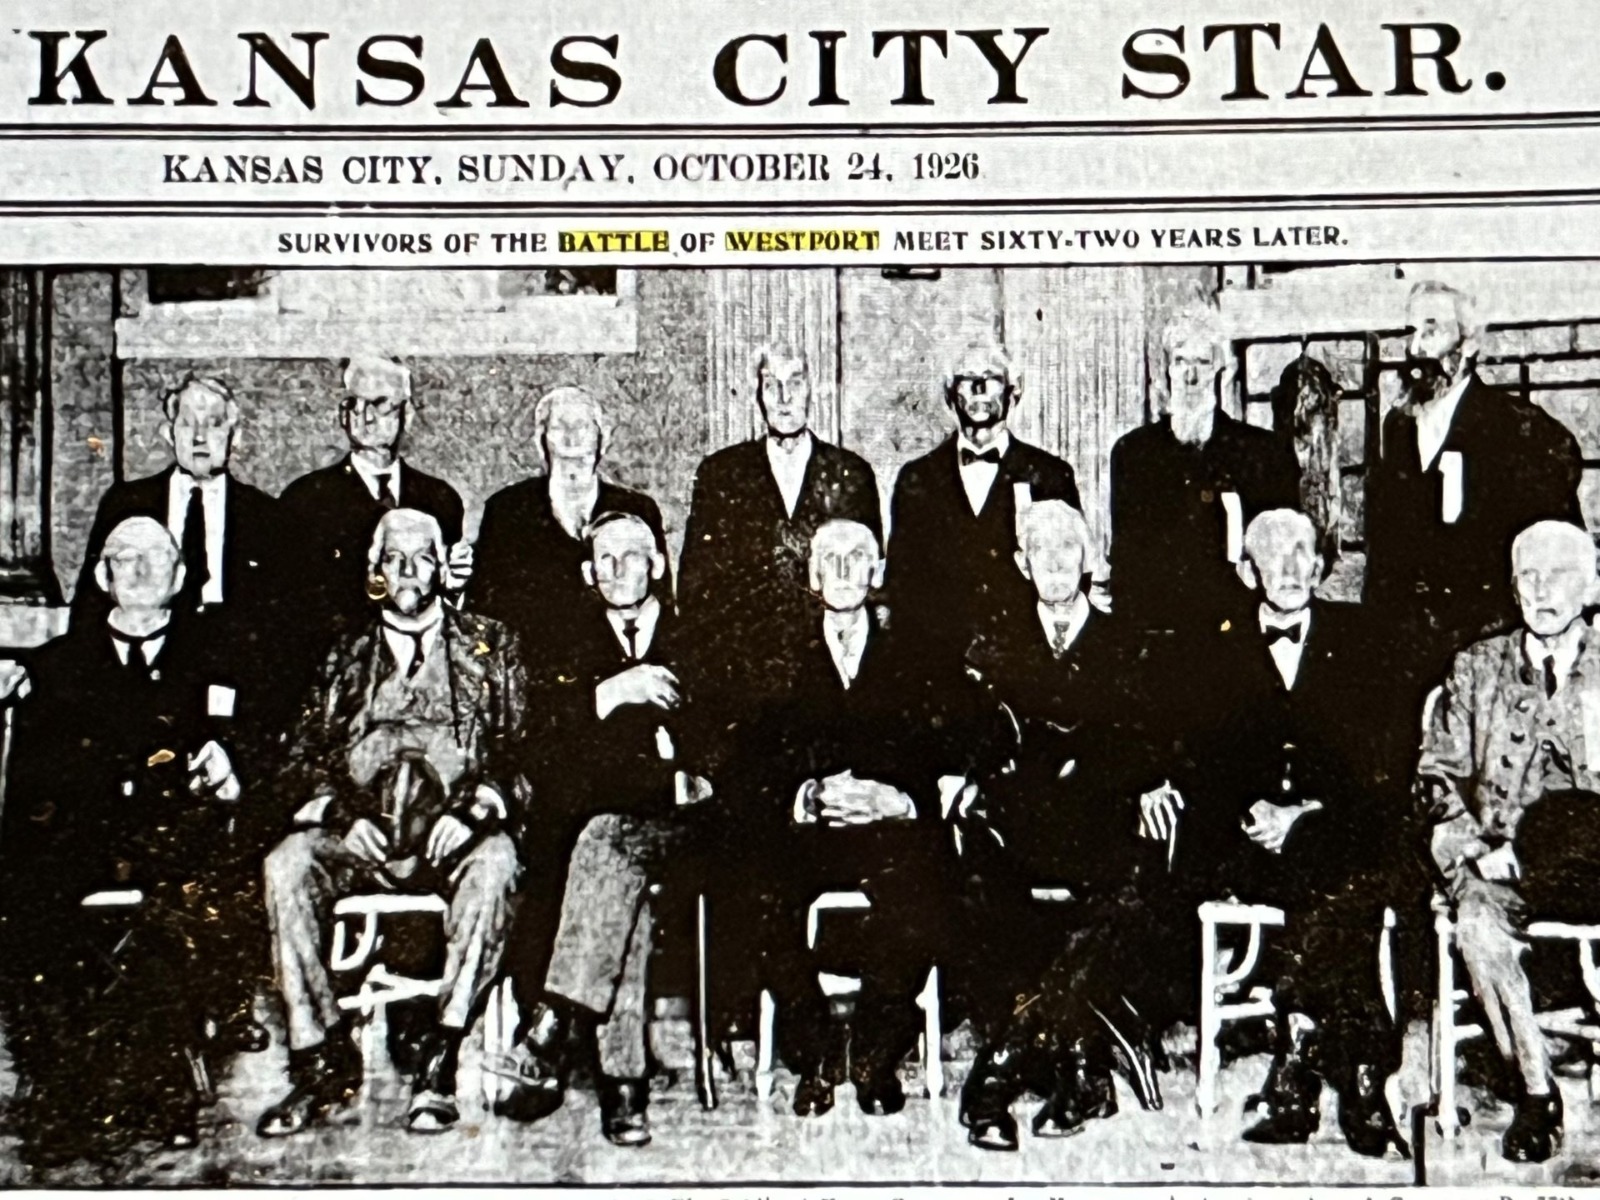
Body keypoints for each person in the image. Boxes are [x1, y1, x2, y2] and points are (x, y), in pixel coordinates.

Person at [1146, 509, 1407, 1157]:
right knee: (1343, 882)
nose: (1289, 567)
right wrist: (1250, 810)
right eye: (1273, 553)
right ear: (1247, 571)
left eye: (1302, 553)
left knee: (1333, 854)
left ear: (1320, 566)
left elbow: (1386, 760)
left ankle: (1298, 1062)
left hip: (1331, 831)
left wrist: (1308, 813)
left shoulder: (1364, 640)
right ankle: (1363, 1074)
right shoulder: (1211, 647)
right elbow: (1194, 758)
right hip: (1246, 847)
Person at [257, 508, 525, 1139]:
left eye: (422, 557)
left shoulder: (489, 645)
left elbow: (523, 753)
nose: (408, 571)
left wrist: (475, 809)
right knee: (286, 865)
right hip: (363, 835)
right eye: (393, 559)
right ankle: (320, 1057)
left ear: (444, 566)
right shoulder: (344, 653)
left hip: (452, 836)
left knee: (498, 865)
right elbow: (298, 759)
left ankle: (439, 1058)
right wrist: (342, 815)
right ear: (374, 569)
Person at [0, 517, 247, 1166]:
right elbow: (32, 790)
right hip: (81, 843)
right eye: (122, 559)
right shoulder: (55, 668)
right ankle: (63, 1093)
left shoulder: (215, 663)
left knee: (184, 904)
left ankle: (161, 1087)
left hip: (173, 841)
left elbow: (246, 759)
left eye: (154, 559)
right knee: (30, 906)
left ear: (180, 576)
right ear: (102, 576)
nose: (138, 571)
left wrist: (229, 767)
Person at [724, 518, 971, 1119]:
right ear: (811, 576)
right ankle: (815, 1052)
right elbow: (744, 763)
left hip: (891, 832)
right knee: (752, 883)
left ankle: (875, 1052)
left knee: (927, 881)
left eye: (856, 555)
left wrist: (901, 800)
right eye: (828, 558)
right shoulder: (776, 657)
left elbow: (957, 743)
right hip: (808, 835)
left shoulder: (916, 657)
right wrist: (805, 796)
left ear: (876, 572)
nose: (841, 568)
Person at [953, 500, 1166, 1151]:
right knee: (982, 880)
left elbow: (1145, 742)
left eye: (1066, 548)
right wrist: (969, 778)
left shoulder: (1127, 643)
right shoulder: (995, 644)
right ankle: (1080, 1068)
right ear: (1022, 564)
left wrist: (1149, 781)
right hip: (1023, 829)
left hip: (1101, 826)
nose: (1054, 562)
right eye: (1039, 550)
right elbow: (982, 738)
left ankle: (1002, 1065)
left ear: (1088, 558)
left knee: (1124, 892)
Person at [495, 511, 710, 1147]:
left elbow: (729, 734)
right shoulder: (564, 646)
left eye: (631, 555)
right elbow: (541, 747)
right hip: (607, 839)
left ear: (658, 564)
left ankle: (553, 1026)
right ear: (588, 574)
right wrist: (613, 692)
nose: (617, 570)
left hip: (688, 830)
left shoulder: (700, 636)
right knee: (619, 881)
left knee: (606, 849)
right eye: (604, 560)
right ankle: (624, 1085)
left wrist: (694, 773)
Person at [1419, 519, 1600, 1163]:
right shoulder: (1477, 668)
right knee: (1476, 926)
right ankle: (1535, 1090)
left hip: (1592, 861)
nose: (1542, 590)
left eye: (1559, 576)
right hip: (1497, 865)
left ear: (1591, 587)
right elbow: (1434, 777)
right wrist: (1472, 845)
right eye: (1529, 576)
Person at [1366, 281, 1584, 692]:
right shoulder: (1398, 428)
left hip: (1488, 662)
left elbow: (1554, 553)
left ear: (1469, 344)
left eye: (1431, 330)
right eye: (1410, 332)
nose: (1415, 348)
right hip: (1407, 659)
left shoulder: (1521, 430)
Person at [679, 346, 880, 700]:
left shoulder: (851, 473)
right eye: (772, 385)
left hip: (826, 676)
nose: (785, 398)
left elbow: (871, 581)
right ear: (757, 394)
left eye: (795, 383)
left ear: (812, 389)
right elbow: (697, 587)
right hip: (745, 677)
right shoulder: (721, 474)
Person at [1109, 303, 1300, 637]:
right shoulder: (1133, 454)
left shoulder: (1263, 453)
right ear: (1167, 369)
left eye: (1202, 362)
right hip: (1160, 636)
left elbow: (1281, 553)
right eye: (1180, 361)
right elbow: (1127, 561)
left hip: (1237, 634)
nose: (1191, 377)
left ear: (1220, 371)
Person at [277, 355, 469, 677]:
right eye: (354, 405)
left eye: (379, 404)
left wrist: (455, 587)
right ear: (343, 416)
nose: (364, 417)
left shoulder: (440, 499)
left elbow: (447, 601)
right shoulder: (306, 500)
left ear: (407, 415)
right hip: (336, 675)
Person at [887, 339, 1079, 662]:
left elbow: (1071, 579)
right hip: (939, 667)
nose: (979, 388)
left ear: (1013, 392)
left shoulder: (1051, 476)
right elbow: (901, 586)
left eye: (991, 377)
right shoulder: (916, 479)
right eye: (967, 378)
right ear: (950, 395)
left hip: (1026, 663)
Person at [473, 385, 666, 667]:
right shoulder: (507, 510)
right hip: (534, 669)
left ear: (602, 438)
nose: (571, 437)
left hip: (618, 668)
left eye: (582, 426)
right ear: (541, 440)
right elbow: (485, 610)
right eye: (559, 426)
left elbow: (661, 604)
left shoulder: (637, 508)